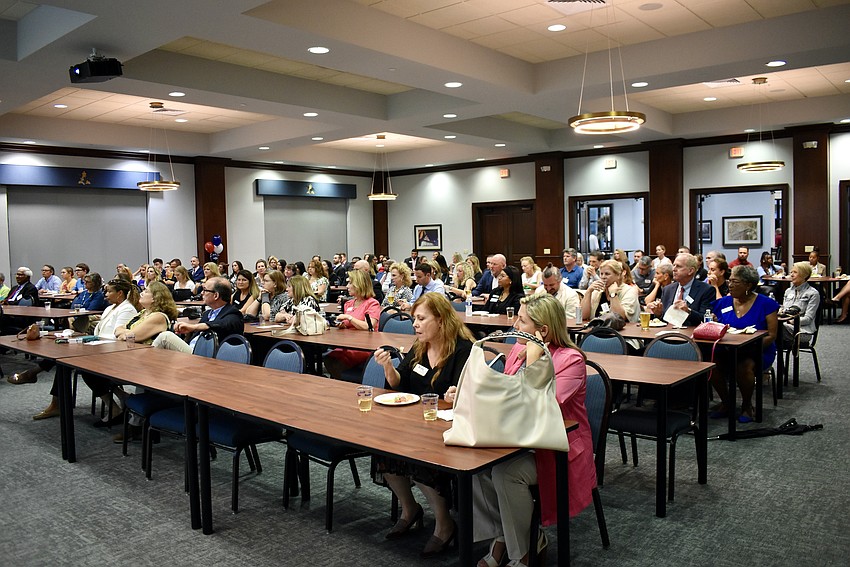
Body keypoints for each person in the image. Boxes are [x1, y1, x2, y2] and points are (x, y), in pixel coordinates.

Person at [471, 294, 595, 567]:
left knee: (505, 473)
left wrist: (533, 362)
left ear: (543, 331)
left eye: (521, 320)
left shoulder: (571, 360)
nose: (514, 324)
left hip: (555, 446)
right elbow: (506, 394)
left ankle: (522, 553)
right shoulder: (518, 348)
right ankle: (503, 536)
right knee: (474, 466)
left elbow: (541, 406)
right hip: (519, 437)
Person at [374, 293, 475, 558]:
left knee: (419, 460)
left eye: (421, 319)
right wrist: (388, 369)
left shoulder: (463, 349)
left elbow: (471, 395)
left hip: (449, 427)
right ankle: (410, 509)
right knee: (382, 450)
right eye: (414, 319)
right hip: (417, 423)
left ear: (440, 320)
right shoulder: (420, 347)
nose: (415, 325)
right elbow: (402, 384)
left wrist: (457, 394)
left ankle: (444, 524)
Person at [710, 266, 779, 422]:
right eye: (730, 281)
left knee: (743, 366)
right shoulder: (724, 302)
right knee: (710, 365)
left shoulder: (766, 304)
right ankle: (727, 403)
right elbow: (712, 320)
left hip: (758, 351)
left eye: (735, 281)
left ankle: (747, 406)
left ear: (748, 285)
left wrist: (749, 348)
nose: (730, 285)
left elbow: (772, 335)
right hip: (728, 348)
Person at [78, 279, 142, 426]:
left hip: (119, 354)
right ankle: (122, 398)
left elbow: (118, 335)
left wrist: (96, 340)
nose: (105, 294)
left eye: (109, 291)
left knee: (88, 369)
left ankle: (116, 407)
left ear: (120, 293)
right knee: (83, 366)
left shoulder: (127, 309)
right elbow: (98, 330)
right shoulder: (109, 308)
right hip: (102, 350)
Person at [152, 277, 243, 351]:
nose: (202, 293)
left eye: (205, 290)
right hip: (193, 350)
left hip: (206, 356)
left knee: (165, 337)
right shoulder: (207, 313)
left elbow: (223, 324)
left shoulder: (233, 314)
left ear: (216, 295)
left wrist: (194, 327)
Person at [324, 270, 381, 381]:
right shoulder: (348, 304)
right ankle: (340, 382)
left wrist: (349, 318)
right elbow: (348, 326)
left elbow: (369, 326)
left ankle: (344, 383)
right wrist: (342, 325)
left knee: (335, 359)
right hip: (347, 344)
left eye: (350, 283)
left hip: (364, 346)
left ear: (359, 284)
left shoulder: (372, 303)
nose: (347, 286)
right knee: (329, 357)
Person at [646, 253, 714, 327]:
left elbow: (705, 319)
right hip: (667, 334)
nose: (674, 269)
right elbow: (663, 320)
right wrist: (658, 313)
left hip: (690, 335)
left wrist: (688, 311)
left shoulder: (706, 290)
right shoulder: (668, 289)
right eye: (674, 265)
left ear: (691, 271)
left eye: (678, 266)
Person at [581, 259, 640, 326]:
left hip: (621, 333)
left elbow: (620, 318)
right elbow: (583, 316)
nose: (603, 277)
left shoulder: (629, 291)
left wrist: (613, 294)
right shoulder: (598, 291)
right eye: (601, 274)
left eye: (607, 274)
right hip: (596, 331)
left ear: (618, 275)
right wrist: (588, 292)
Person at [781, 262, 821, 342]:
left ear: (805, 275)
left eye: (795, 272)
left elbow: (808, 319)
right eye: (791, 272)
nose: (791, 275)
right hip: (785, 327)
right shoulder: (788, 291)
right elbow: (784, 310)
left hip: (802, 331)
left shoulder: (813, 293)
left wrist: (790, 321)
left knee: (775, 329)